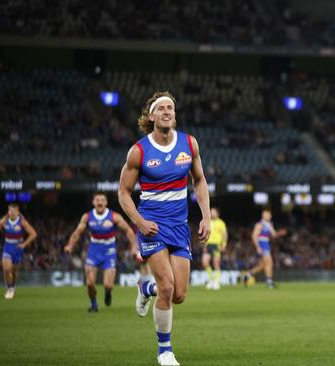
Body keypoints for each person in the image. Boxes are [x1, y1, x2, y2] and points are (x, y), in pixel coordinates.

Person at [118, 91, 211, 366]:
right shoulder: (139, 151)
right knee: (167, 287)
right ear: (152, 116)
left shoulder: (189, 144)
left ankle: (146, 289)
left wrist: (205, 216)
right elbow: (123, 193)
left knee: (179, 294)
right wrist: (139, 222)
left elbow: (200, 181)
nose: (168, 111)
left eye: (171, 107)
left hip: (180, 227)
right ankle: (165, 351)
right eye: (162, 108)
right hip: (152, 227)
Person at [64, 192, 137, 312]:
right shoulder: (87, 216)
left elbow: (129, 231)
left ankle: (108, 292)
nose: (100, 202)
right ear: (93, 202)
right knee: (90, 283)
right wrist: (70, 246)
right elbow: (77, 233)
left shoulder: (114, 216)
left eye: (102, 200)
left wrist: (134, 247)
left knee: (108, 285)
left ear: (106, 203)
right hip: (93, 250)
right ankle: (94, 305)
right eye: (97, 200)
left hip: (109, 251)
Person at [0, 204, 37, 300]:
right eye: (10, 211)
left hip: (18, 248)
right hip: (7, 246)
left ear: (18, 212)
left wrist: (24, 244)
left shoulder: (22, 222)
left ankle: (13, 287)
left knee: (14, 271)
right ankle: (9, 289)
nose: (12, 213)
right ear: (8, 212)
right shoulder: (4, 221)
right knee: (6, 269)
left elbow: (33, 233)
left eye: (14, 211)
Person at [243, 208, 286, 289]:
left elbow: (273, 235)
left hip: (266, 244)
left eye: (268, 214)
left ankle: (247, 274)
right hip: (262, 244)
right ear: (263, 215)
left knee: (263, 265)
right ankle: (269, 282)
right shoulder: (259, 224)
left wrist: (280, 233)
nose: (267, 216)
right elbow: (254, 236)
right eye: (265, 214)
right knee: (269, 262)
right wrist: (258, 247)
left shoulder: (269, 224)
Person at [203, 207, 228, 290]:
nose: (211, 213)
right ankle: (211, 280)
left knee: (216, 264)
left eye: (213, 212)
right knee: (205, 262)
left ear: (217, 213)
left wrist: (224, 244)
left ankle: (216, 282)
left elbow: (224, 235)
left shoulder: (221, 223)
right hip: (208, 244)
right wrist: (204, 244)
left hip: (217, 245)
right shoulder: (207, 221)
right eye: (211, 212)